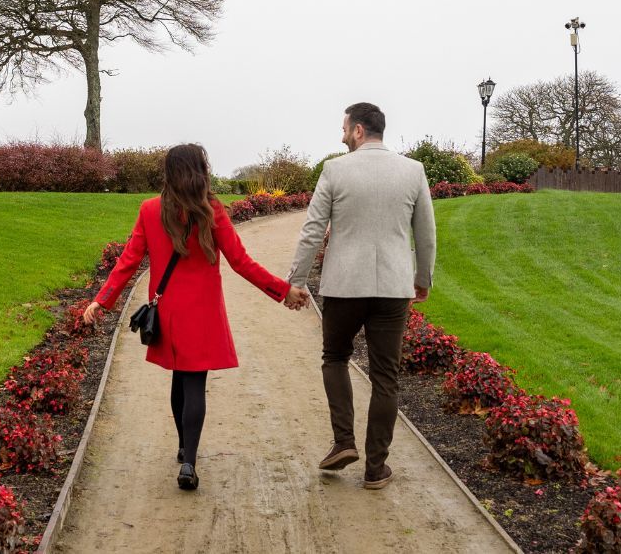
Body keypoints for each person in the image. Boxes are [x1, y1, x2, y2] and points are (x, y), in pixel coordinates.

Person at [83, 144, 311, 490]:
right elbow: (241, 263)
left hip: (169, 313)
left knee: (179, 379)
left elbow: (128, 261)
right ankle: (189, 459)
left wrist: (102, 301)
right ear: (200, 171)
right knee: (194, 383)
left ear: (169, 173)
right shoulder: (212, 211)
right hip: (203, 313)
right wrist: (283, 292)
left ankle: (181, 446)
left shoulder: (150, 210)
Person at [288, 101, 436, 490]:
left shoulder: (335, 170)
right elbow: (426, 234)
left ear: (357, 130)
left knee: (334, 357)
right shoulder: (413, 171)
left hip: (343, 287)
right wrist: (422, 278)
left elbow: (312, 229)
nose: (341, 135)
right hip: (392, 288)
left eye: (344, 128)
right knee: (386, 377)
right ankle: (376, 468)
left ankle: (343, 442)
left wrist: (297, 280)